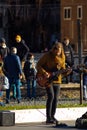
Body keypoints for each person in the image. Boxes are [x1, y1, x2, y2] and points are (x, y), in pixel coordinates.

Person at [36, 42, 71, 124]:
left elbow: (62, 70)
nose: (57, 52)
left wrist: (67, 72)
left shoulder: (63, 57)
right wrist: (44, 72)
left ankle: (52, 116)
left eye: (58, 51)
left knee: (56, 99)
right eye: (55, 50)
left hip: (57, 80)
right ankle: (48, 117)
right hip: (47, 79)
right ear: (53, 49)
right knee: (51, 96)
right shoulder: (47, 55)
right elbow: (38, 65)